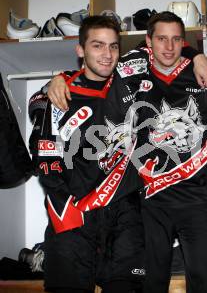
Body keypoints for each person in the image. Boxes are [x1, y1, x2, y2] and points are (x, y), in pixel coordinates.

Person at [46, 11, 207, 293]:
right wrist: (59, 78)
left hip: (197, 201)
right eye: (161, 39)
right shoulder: (133, 71)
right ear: (148, 42)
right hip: (150, 201)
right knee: (151, 283)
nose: (169, 47)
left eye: (177, 40)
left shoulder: (205, 71)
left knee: (206, 282)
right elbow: (94, 69)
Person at [28, 15, 145, 293]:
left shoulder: (132, 83)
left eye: (114, 46)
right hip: (75, 215)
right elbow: (45, 158)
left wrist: (196, 55)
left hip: (125, 215)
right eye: (97, 46)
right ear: (80, 50)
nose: (107, 55)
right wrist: (66, 211)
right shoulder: (59, 96)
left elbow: (165, 46)